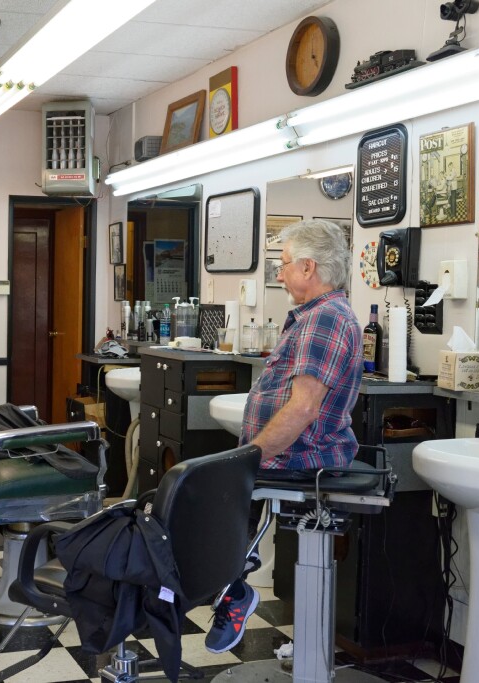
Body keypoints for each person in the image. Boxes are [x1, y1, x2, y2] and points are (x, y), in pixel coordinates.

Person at [205, 219, 363, 654]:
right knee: (209, 488)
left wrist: (248, 457)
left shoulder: (325, 319)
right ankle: (233, 578)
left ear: (308, 267)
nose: (279, 274)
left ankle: (234, 587)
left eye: (285, 264)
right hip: (295, 453)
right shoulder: (314, 317)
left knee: (203, 488)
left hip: (303, 458)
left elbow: (303, 408)